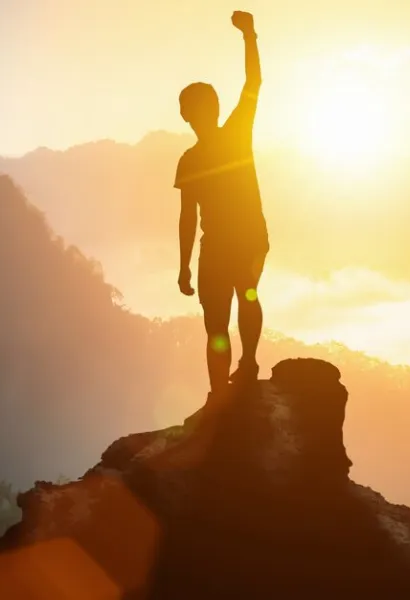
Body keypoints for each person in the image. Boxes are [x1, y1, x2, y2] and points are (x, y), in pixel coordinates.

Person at [174, 10, 269, 397]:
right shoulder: (198, 155)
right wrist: (183, 266)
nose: (199, 115)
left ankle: (243, 369)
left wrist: (250, 35)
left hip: (244, 240)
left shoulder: (233, 135)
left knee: (242, 299)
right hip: (222, 245)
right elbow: (187, 216)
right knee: (221, 317)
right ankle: (222, 388)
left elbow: (254, 82)